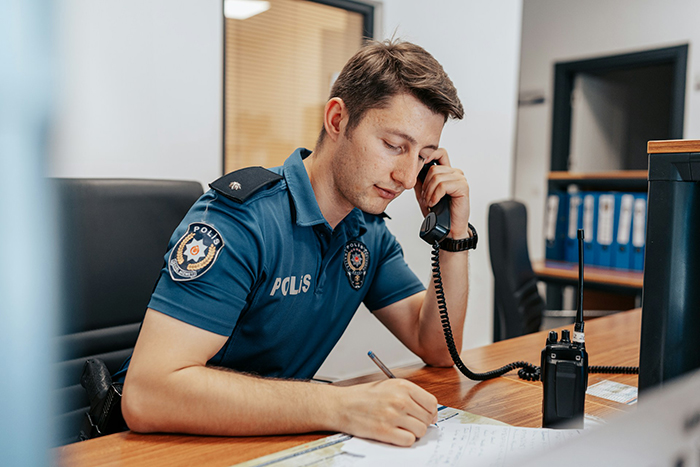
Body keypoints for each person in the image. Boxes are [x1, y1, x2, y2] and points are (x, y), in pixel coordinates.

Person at [119, 39, 474, 447]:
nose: (408, 177)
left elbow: (439, 347)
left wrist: (454, 236)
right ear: (338, 119)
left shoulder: (367, 232)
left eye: (423, 156)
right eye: (394, 146)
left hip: (269, 443)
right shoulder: (240, 220)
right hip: (174, 447)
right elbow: (148, 394)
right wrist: (341, 405)